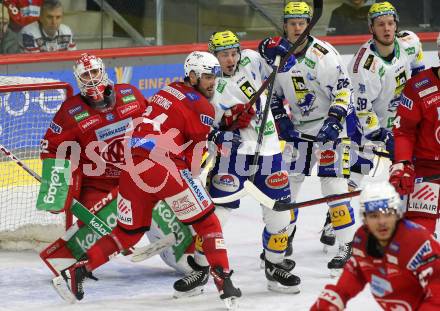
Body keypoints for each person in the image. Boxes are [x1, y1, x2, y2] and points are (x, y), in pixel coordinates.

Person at [55, 51, 242, 309]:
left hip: (132, 169)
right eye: (208, 76)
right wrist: (218, 140)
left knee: (128, 232)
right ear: (192, 76)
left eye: (216, 77)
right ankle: (224, 281)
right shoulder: (203, 107)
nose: (213, 82)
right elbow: (193, 163)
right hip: (163, 167)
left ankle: (80, 268)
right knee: (207, 222)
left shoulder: (166, 90)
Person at [258, 1, 356, 275]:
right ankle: (283, 236)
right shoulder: (279, 57)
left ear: (308, 25)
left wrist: (335, 121)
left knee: (334, 189)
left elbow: (344, 89)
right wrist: (281, 120)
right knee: (286, 189)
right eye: (292, 23)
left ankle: (346, 246)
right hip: (300, 132)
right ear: (285, 25)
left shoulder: (324, 54)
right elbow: (273, 95)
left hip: (331, 130)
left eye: (302, 23)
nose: (297, 28)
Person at [201, 29, 300, 294]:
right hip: (231, 157)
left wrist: (276, 47)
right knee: (217, 215)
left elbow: (286, 62)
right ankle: (200, 268)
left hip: (268, 150)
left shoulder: (252, 60)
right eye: (223, 55)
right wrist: (225, 125)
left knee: (280, 215)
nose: (230, 59)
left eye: (234, 53)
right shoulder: (207, 83)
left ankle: (274, 265)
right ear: (213, 57)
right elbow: (204, 129)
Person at [37, 52, 149, 277]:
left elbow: (151, 126)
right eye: (85, 75)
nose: (91, 78)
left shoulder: (130, 94)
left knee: (163, 207)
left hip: (135, 177)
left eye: (94, 72)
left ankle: (183, 246)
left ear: (103, 71)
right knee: (99, 226)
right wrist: (57, 185)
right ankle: (78, 261)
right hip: (97, 183)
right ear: (78, 79)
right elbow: (51, 149)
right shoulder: (71, 111)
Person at [311, 181, 440, 310]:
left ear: (398, 214)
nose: (381, 222)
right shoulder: (362, 239)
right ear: (364, 218)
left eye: (387, 214)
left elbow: (437, 294)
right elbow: (356, 273)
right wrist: (331, 301)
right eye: (374, 216)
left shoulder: (417, 242)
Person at [347, 1, 425, 191]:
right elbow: (363, 111)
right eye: (381, 24)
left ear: (396, 24)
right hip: (369, 124)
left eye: (390, 23)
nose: (387, 28)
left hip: (403, 120)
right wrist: (384, 136)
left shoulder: (410, 42)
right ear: (371, 27)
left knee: (410, 168)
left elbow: (419, 70)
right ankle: (342, 200)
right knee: (354, 177)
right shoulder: (363, 67)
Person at [389, 37, 440, 234]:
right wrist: (403, 164)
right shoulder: (418, 86)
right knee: (419, 235)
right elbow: (404, 131)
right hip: (426, 168)